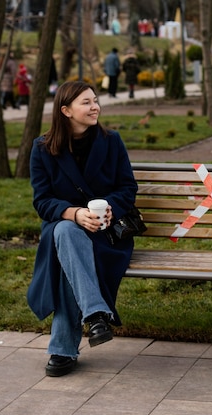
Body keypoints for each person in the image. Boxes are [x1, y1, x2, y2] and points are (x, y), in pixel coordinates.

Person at [28, 81, 138, 377]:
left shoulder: (111, 141)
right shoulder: (42, 149)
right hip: (67, 229)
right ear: (65, 111)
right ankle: (95, 315)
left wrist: (110, 208)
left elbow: (128, 188)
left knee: (66, 253)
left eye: (95, 100)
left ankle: (65, 347)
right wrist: (74, 214)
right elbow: (42, 201)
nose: (95, 107)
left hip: (106, 234)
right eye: (86, 102)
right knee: (65, 232)